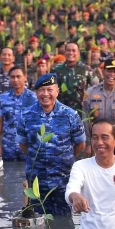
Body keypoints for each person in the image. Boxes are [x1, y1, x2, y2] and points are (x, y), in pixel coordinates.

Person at [17, 73, 86, 216]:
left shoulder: (70, 115)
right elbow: (23, 145)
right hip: (37, 181)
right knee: (37, 224)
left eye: (50, 90)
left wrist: (64, 157)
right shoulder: (26, 115)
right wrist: (39, 158)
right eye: (41, 90)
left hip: (63, 180)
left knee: (65, 223)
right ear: (36, 92)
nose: (45, 94)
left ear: (57, 91)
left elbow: (80, 144)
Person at [82, 59, 115, 158]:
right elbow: (85, 119)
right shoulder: (91, 92)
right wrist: (88, 143)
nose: (112, 74)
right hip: (97, 143)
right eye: (109, 71)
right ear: (103, 71)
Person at [0, 66, 38, 161]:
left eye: (18, 76)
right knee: (8, 173)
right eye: (12, 77)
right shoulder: (3, 98)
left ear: (25, 77)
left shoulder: (34, 98)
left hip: (28, 146)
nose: (15, 79)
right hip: (8, 146)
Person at [51, 42, 94, 116]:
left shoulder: (86, 69)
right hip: (61, 112)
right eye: (68, 50)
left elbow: (96, 87)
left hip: (81, 112)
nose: (71, 53)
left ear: (78, 53)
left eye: (73, 51)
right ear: (64, 52)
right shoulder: (56, 70)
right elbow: (50, 89)